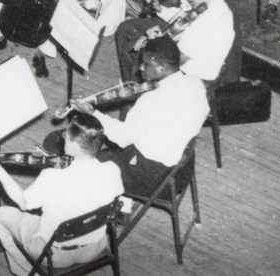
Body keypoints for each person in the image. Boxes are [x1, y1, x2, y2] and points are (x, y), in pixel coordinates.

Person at [0, 114, 124, 276]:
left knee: (1, 214)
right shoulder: (112, 169)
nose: (63, 138)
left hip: (55, 256)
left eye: (66, 137)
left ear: (75, 146)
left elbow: (23, 203)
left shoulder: (51, 177)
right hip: (95, 247)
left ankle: (25, 272)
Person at [71, 36, 208, 196]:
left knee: (83, 164)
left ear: (162, 68)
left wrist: (92, 113)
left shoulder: (151, 101)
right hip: (182, 170)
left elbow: (122, 137)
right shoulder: (195, 83)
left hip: (151, 177)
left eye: (146, 64)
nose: (140, 68)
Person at [121, 0, 233, 89]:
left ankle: (134, 92)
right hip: (194, 72)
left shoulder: (209, 20)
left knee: (143, 61)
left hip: (190, 79)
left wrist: (154, 43)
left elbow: (176, 61)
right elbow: (185, 20)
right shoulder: (217, 8)